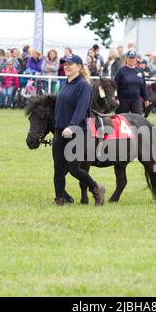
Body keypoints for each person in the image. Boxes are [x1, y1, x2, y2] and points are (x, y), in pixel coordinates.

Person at [52, 54, 106, 206]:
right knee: (58, 168)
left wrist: (71, 126)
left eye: (71, 64)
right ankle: (59, 199)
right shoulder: (64, 84)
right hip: (59, 131)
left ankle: (96, 189)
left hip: (76, 131)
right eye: (65, 64)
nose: (66, 66)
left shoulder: (83, 85)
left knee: (74, 168)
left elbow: (81, 109)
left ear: (80, 67)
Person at [114, 50, 149, 115]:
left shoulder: (139, 71)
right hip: (123, 100)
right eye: (130, 58)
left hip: (136, 100)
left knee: (139, 119)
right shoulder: (121, 71)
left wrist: (146, 99)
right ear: (126, 59)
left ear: (136, 59)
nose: (131, 60)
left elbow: (143, 86)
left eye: (133, 58)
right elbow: (115, 86)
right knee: (122, 119)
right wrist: (116, 98)